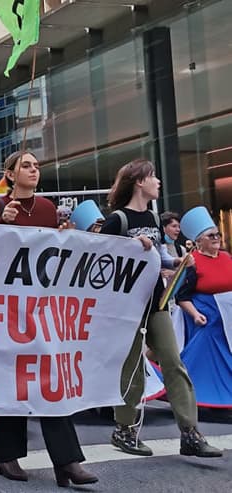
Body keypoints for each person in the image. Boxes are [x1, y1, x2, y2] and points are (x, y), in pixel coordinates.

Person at [0, 150, 98, 487]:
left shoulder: (47, 208)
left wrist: (66, 237)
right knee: (8, 379)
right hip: (5, 309)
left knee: (50, 379)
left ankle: (67, 462)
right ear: (10, 174)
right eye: (26, 166)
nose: (34, 170)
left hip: (41, 308)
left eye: (36, 166)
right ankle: (6, 456)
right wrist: (2, 224)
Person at [99, 158, 221, 458]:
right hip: (127, 306)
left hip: (156, 301)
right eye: (153, 176)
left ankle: (190, 433)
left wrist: (176, 262)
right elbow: (101, 259)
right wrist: (129, 247)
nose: (158, 182)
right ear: (139, 181)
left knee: (174, 362)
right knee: (131, 369)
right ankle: (124, 430)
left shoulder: (154, 220)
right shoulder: (117, 220)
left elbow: (159, 257)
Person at [174, 208, 232, 407]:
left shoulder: (226, 257)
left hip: (228, 318)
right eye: (211, 235)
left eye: (218, 234)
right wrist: (196, 314)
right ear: (199, 241)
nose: (216, 238)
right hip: (207, 317)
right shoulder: (192, 262)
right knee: (204, 354)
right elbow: (181, 296)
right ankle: (200, 396)